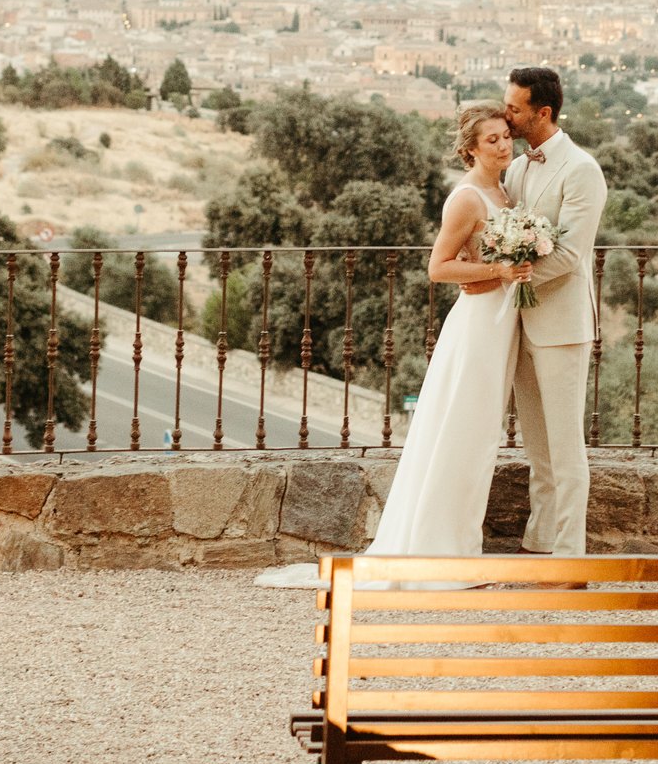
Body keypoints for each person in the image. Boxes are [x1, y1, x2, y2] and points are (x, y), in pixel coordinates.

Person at [255, 103, 530, 587]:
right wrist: (500, 271)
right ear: (470, 148)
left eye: (506, 135)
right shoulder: (467, 198)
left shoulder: (504, 190)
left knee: (479, 438)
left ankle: (459, 548)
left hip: (500, 323)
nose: (504, 144)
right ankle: (442, 555)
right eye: (492, 139)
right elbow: (439, 268)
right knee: (462, 434)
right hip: (477, 328)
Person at [501, 64, 605, 556]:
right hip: (521, 323)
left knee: (566, 448)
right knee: (537, 448)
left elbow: (568, 255)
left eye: (515, 108)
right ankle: (539, 541)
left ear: (542, 112)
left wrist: (511, 274)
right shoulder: (518, 167)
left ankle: (569, 553)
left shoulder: (582, 169)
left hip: (561, 326)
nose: (507, 115)